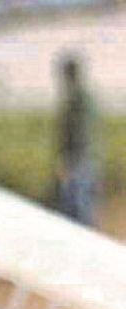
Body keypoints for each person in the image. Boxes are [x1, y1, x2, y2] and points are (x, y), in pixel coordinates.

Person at [52, 53, 99, 226]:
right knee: (80, 209)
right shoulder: (80, 98)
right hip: (83, 160)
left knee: (79, 211)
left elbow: (79, 135)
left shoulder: (77, 100)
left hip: (78, 162)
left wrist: (68, 164)